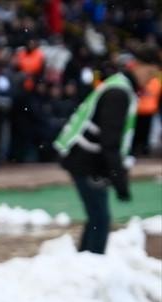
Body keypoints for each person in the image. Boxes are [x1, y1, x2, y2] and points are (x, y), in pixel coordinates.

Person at [54, 64, 137, 255]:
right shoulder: (118, 92)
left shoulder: (117, 85)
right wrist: (119, 179)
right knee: (100, 219)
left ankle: (86, 261)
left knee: (97, 217)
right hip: (86, 160)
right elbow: (110, 141)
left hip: (85, 158)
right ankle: (91, 262)